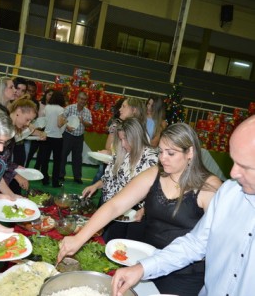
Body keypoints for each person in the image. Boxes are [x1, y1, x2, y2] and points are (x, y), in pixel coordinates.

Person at [57, 122, 222, 296]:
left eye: (171, 153)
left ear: (190, 152)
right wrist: (79, 238)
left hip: (184, 275)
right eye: (160, 151)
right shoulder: (154, 174)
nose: (162, 158)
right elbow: (115, 205)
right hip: (145, 262)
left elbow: (215, 242)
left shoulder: (209, 187)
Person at [110, 115, 255, 296]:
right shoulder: (229, 193)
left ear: (190, 153)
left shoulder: (211, 187)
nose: (233, 173)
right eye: (233, 161)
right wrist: (142, 268)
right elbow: (194, 244)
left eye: (245, 166)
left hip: (187, 278)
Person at [83, 118, 158, 241]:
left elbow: (159, 192)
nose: (123, 144)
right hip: (118, 211)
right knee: (111, 242)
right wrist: (95, 186)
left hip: (138, 215)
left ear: (136, 137)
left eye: (126, 139)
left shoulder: (152, 159)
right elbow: (108, 177)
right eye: (121, 139)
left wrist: (145, 209)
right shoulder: (122, 153)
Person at [59, 91, 92, 184]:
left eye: (85, 99)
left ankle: (77, 177)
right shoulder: (69, 108)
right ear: (77, 99)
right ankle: (61, 175)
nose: (83, 101)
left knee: (77, 158)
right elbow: (62, 118)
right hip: (67, 136)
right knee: (63, 155)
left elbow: (89, 124)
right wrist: (67, 126)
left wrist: (83, 122)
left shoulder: (87, 112)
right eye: (81, 99)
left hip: (79, 137)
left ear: (86, 101)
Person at [40, 90, 66, 187]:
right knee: (57, 161)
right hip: (57, 138)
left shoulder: (47, 107)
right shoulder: (60, 109)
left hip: (46, 136)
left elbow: (43, 121)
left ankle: (44, 179)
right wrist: (65, 121)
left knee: (45, 160)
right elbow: (59, 124)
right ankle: (55, 182)